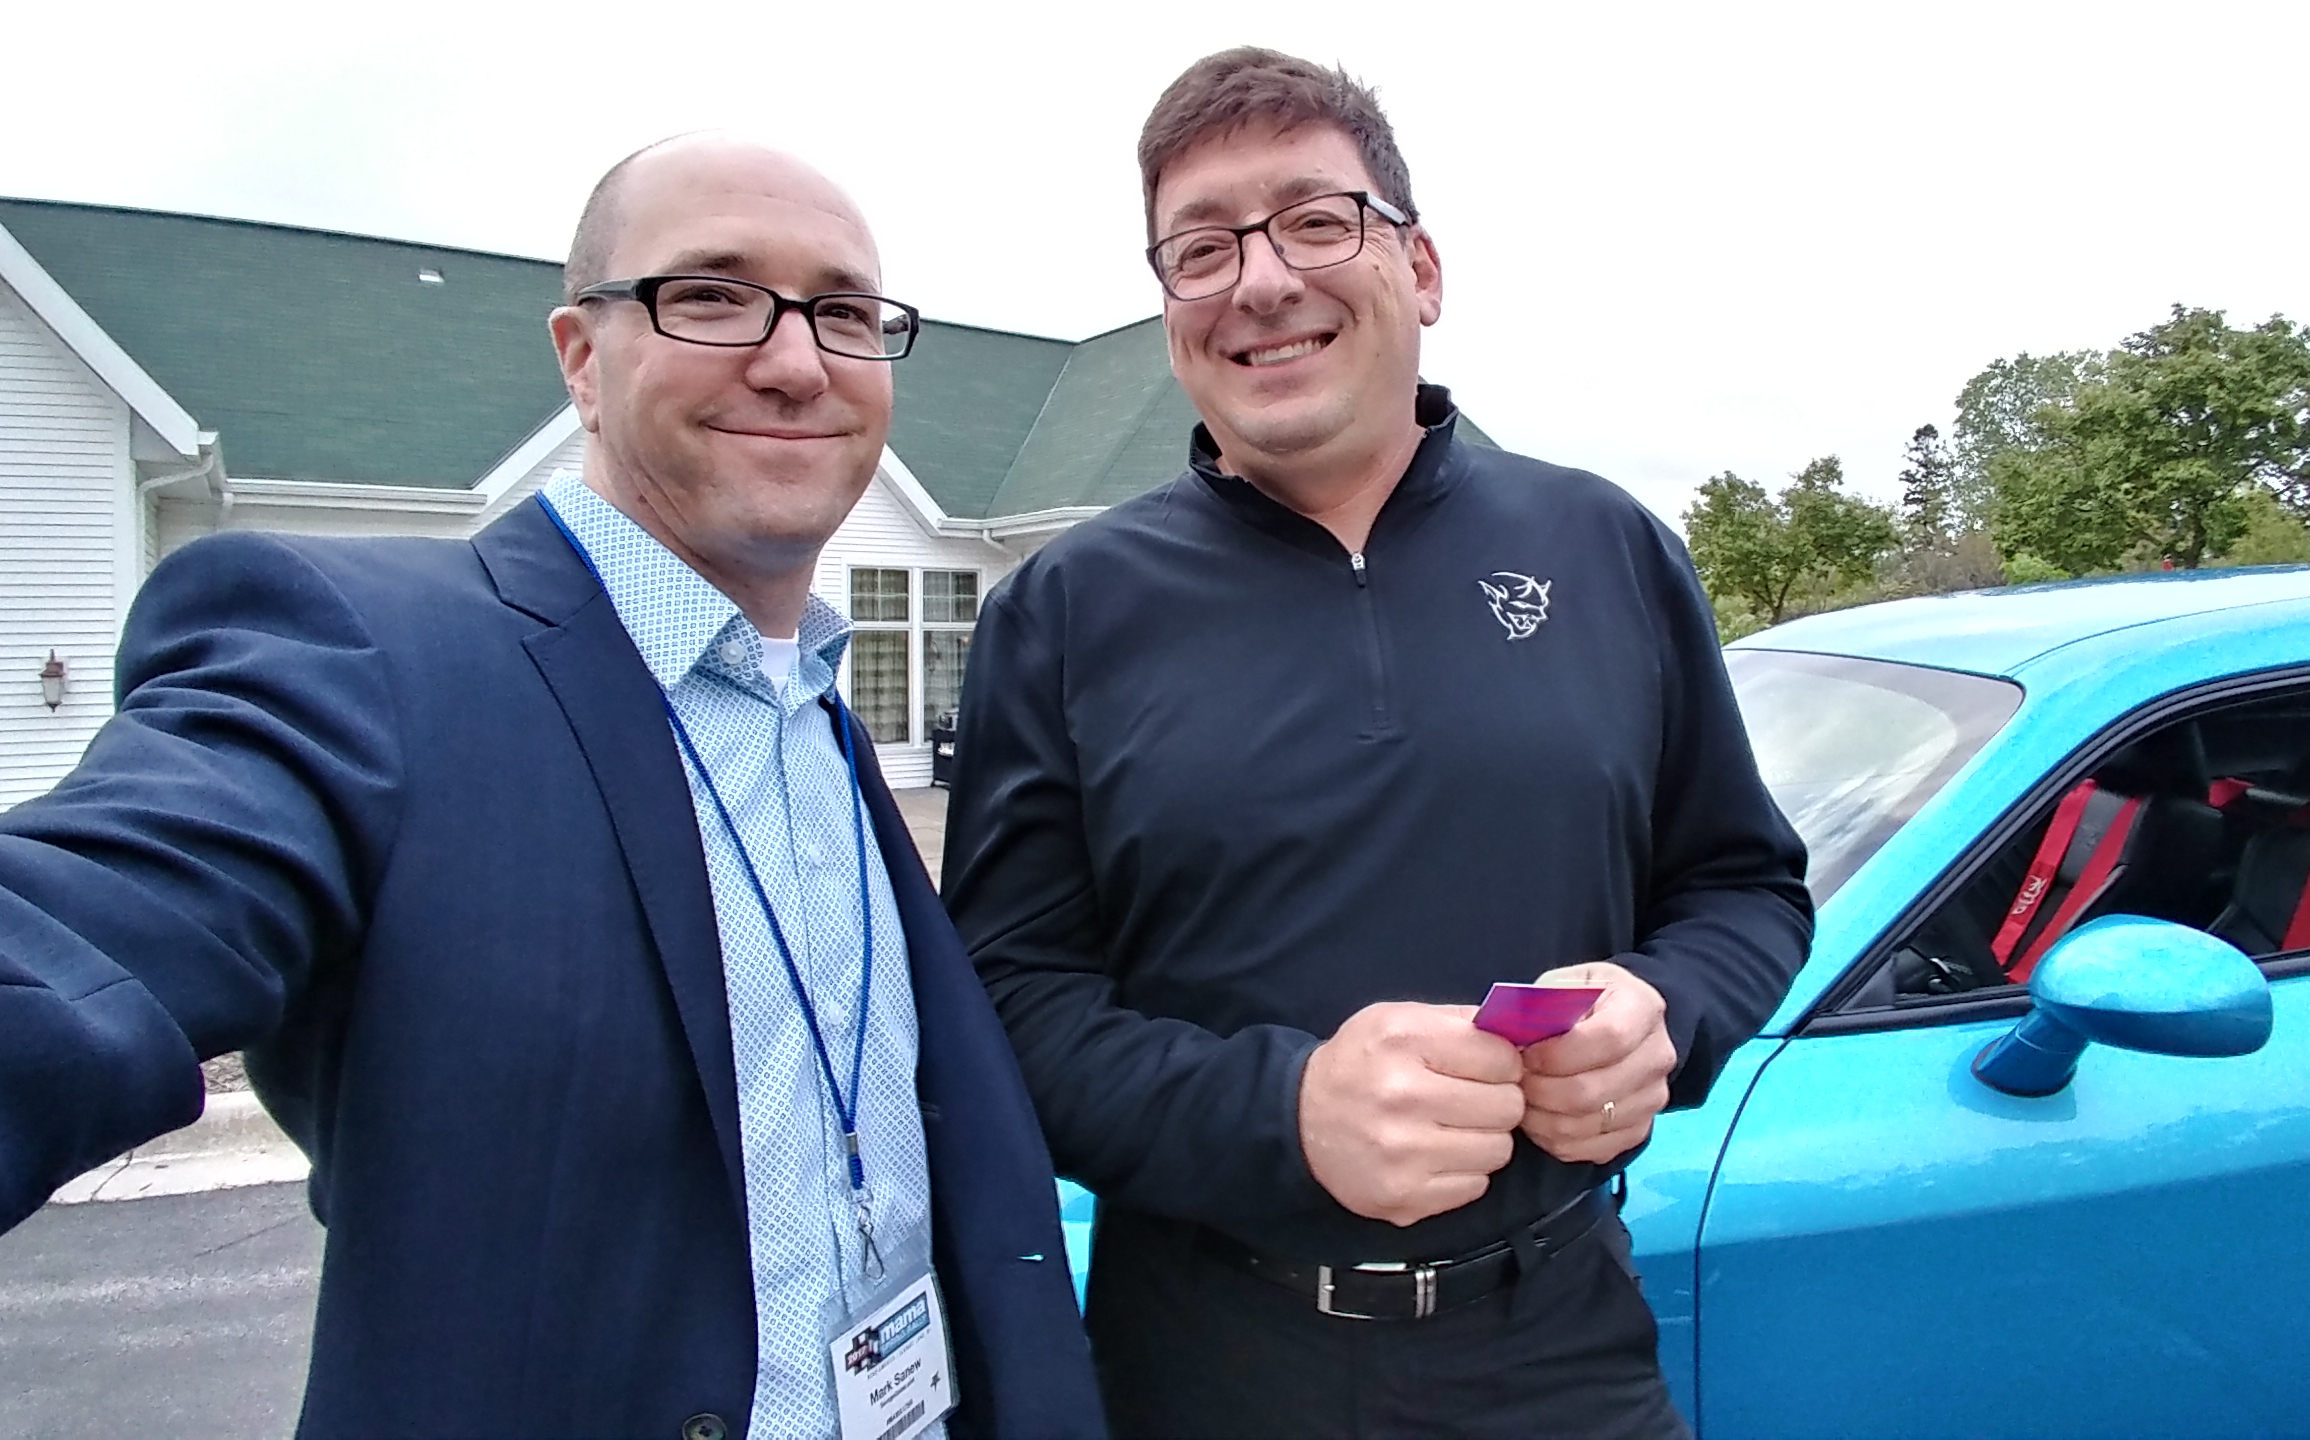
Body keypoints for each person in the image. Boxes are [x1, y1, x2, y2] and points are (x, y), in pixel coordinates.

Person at [0, 135, 1103, 1440]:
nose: (796, 361)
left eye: (845, 314)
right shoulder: (360, 664)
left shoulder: (813, 705)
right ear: (581, 357)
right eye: (712, 296)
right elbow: (92, 926)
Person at [942, 47, 1814, 1440]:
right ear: (1170, 310)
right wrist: (1286, 1113)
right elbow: (1007, 1001)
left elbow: (1744, 887)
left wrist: (1669, 1009)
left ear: (1421, 268)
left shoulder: (1606, 548)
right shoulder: (1064, 611)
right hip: (1205, 1366)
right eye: (1202, 248)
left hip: (1561, 1348)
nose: (1261, 280)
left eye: (1315, 220)